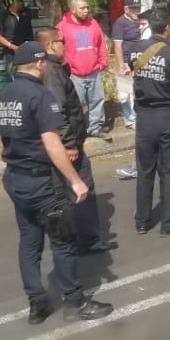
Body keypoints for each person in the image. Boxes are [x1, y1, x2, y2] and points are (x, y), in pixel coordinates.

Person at [0, 41, 113, 323]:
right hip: (44, 181)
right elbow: (52, 144)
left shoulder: (2, 97)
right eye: (44, 62)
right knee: (64, 241)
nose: (46, 65)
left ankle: (37, 304)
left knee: (29, 242)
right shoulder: (40, 95)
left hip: (15, 178)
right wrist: (75, 181)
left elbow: (6, 138)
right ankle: (75, 302)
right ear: (38, 64)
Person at [36, 28, 116, 255]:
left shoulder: (54, 68)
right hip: (67, 143)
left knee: (68, 190)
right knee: (81, 187)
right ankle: (87, 239)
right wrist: (69, 143)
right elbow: (57, 109)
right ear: (51, 45)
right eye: (62, 41)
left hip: (68, 140)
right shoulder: (52, 72)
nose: (65, 45)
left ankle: (76, 236)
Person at [132, 8, 170, 236]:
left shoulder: (135, 50)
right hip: (168, 115)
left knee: (144, 169)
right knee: (169, 171)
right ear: (168, 27)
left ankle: (142, 220)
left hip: (144, 117)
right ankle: (168, 222)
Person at [56, 0, 110, 141]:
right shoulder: (62, 26)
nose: (86, 11)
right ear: (73, 10)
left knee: (97, 100)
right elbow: (57, 48)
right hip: (74, 74)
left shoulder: (93, 23)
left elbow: (101, 43)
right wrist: (65, 66)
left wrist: (103, 62)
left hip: (94, 71)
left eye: (87, 8)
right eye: (82, 8)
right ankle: (77, 130)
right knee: (76, 104)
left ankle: (95, 128)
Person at [110, 0, 148, 131]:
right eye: (133, 8)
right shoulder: (120, 23)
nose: (136, 11)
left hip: (142, 60)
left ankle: (141, 116)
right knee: (126, 93)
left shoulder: (141, 20)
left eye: (138, 8)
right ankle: (131, 120)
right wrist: (122, 64)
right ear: (126, 8)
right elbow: (118, 46)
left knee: (139, 90)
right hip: (127, 60)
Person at [0, 0, 34, 77]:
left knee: (29, 73)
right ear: (13, 2)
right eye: (20, 1)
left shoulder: (26, 12)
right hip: (11, 51)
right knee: (14, 74)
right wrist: (13, 47)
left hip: (27, 48)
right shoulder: (3, 15)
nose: (23, 3)